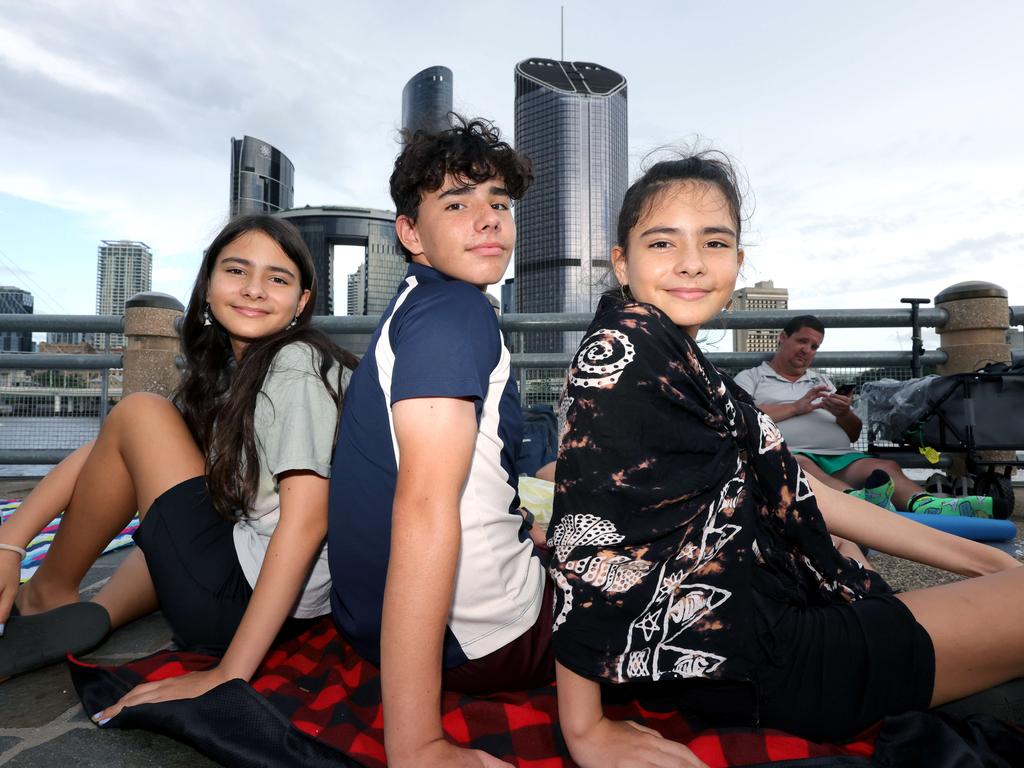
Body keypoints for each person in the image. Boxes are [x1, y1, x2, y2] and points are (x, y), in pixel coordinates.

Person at [547, 153, 1024, 768]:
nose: (691, 262)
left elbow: (805, 492)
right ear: (623, 261)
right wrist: (584, 729)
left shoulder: (681, 361)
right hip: (777, 659)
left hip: (749, 639)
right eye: (662, 242)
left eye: (713, 242)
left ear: (738, 262)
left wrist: (985, 562)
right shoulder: (625, 352)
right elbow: (583, 540)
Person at [0, 216, 358, 724]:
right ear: (208, 285)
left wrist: (228, 673)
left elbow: (307, 520)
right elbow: (104, 452)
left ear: (301, 302)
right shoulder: (238, 375)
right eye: (237, 270)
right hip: (289, 600)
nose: (254, 289)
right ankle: (99, 614)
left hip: (253, 605)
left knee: (140, 411)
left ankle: (44, 596)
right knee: (166, 489)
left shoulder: (295, 364)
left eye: (278, 278)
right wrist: (11, 544)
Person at [327, 116, 550, 768]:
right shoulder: (455, 312)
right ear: (410, 232)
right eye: (457, 202)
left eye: (499, 203)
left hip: (370, 627)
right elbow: (424, 509)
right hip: (481, 637)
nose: (488, 219)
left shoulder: (413, 306)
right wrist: (418, 743)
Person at [734, 318, 993, 516]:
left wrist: (844, 413)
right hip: (790, 454)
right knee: (803, 468)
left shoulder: (822, 380)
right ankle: (859, 505)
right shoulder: (751, 378)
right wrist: (796, 407)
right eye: (802, 341)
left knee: (886, 468)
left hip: (837, 455)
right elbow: (738, 418)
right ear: (783, 338)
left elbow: (854, 432)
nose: (807, 350)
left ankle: (930, 505)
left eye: (814, 346)